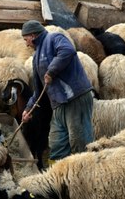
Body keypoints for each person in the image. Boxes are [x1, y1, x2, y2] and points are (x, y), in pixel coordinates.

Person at [21, 20, 94, 164]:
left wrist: (51, 71)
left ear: (33, 35)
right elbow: (39, 89)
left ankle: (85, 171)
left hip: (74, 98)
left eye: (26, 39)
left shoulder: (54, 38)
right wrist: (28, 109)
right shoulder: (36, 57)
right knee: (56, 143)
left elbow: (67, 51)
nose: (26, 44)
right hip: (59, 104)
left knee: (78, 140)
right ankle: (58, 177)